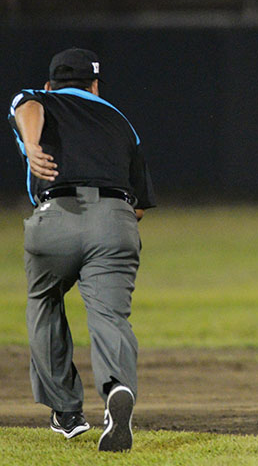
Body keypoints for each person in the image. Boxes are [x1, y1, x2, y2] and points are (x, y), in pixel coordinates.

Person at [7, 48, 155, 451]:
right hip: (117, 220)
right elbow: (140, 205)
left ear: (52, 83)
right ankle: (117, 390)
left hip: (57, 216)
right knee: (110, 316)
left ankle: (67, 410)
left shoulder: (39, 99)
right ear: (95, 86)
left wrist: (32, 145)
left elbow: (28, 106)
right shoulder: (122, 122)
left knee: (44, 300)